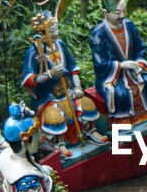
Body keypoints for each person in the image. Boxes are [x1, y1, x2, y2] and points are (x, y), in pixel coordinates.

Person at [21, 11, 98, 152]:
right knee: (53, 116)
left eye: (56, 29)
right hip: (48, 97)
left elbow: (73, 67)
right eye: (51, 30)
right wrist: (49, 74)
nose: (55, 32)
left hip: (68, 90)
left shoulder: (61, 45)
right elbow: (27, 79)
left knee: (87, 104)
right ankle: (58, 142)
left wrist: (78, 87)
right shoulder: (34, 51)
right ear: (43, 33)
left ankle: (90, 131)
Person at [90, 0, 147, 123]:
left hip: (134, 71)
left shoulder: (129, 25)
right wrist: (121, 65)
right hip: (113, 75)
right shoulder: (98, 33)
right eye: (118, 13)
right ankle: (122, 119)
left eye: (124, 11)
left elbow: (141, 48)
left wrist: (139, 64)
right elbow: (99, 64)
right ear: (105, 12)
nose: (122, 16)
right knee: (120, 92)